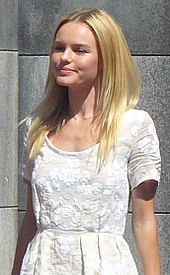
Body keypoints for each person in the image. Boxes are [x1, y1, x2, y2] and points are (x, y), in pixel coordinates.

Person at [12, 8, 161, 275]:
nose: (64, 58)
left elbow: (144, 220)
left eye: (79, 50)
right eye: (59, 48)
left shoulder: (134, 127)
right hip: (43, 265)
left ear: (105, 59)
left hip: (105, 266)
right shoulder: (38, 128)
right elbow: (32, 219)